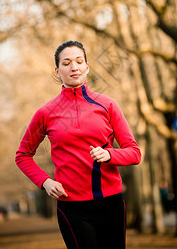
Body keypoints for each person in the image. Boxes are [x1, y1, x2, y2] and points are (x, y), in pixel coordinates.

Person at [15, 40, 141, 249]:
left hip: (111, 203)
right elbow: (22, 155)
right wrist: (45, 182)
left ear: (87, 67)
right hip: (72, 207)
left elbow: (134, 153)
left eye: (79, 61)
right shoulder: (45, 113)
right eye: (66, 63)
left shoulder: (107, 105)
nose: (74, 67)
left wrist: (110, 155)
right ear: (57, 71)